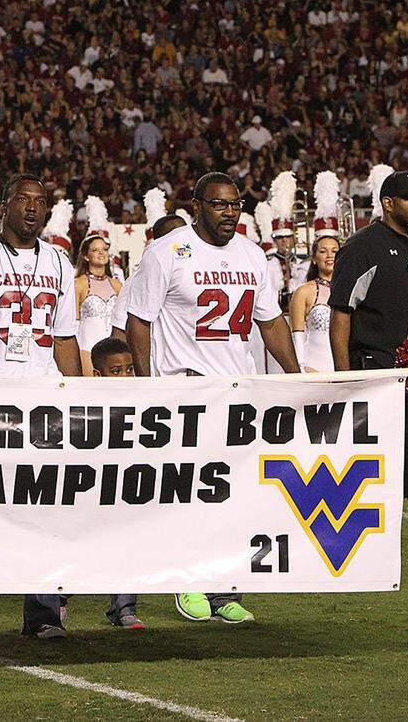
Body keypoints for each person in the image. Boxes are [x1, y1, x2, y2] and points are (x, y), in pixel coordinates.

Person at [124, 171, 300, 624]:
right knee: (189, 490)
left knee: (232, 493)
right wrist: (146, 384)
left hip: (236, 386)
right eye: (220, 204)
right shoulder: (168, 250)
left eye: (235, 204)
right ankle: (188, 581)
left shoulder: (252, 254)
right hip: (185, 383)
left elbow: (271, 321)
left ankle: (225, 587)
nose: (230, 212)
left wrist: (296, 374)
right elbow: (139, 319)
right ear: (197, 206)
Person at [0, 174, 80, 638]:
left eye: (39, 202)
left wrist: (78, 394)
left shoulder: (61, 262)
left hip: (43, 397)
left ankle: (42, 613)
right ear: (4, 206)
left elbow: (65, 337)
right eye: (22, 200)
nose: (31, 208)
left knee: (43, 506)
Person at [329, 171, 408, 558]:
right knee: (405, 444)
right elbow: (341, 313)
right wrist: (345, 376)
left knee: (400, 446)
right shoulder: (363, 247)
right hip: (376, 363)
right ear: (387, 203)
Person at [88, 336, 143, 630]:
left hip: (123, 486)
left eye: (130, 369)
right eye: (117, 370)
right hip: (89, 490)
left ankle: (124, 607)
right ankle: (55, 602)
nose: (125, 376)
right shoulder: (82, 407)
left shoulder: (141, 407)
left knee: (127, 536)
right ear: (98, 375)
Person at [109, 214, 186, 343]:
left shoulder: (197, 271)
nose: (186, 241)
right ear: (163, 242)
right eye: (179, 236)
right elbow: (120, 331)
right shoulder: (139, 278)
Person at [289, 236, 339, 372]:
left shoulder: (349, 290)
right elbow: (297, 336)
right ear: (314, 258)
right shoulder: (303, 292)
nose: (330, 255)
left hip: (345, 370)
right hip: (314, 370)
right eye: (323, 251)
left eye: (334, 251)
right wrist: (302, 370)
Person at [74, 234, 122, 375]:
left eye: (104, 249)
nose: (101, 253)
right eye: (95, 250)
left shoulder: (117, 285)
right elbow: (73, 322)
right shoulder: (79, 284)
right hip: (87, 349)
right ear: (86, 256)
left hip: (113, 353)